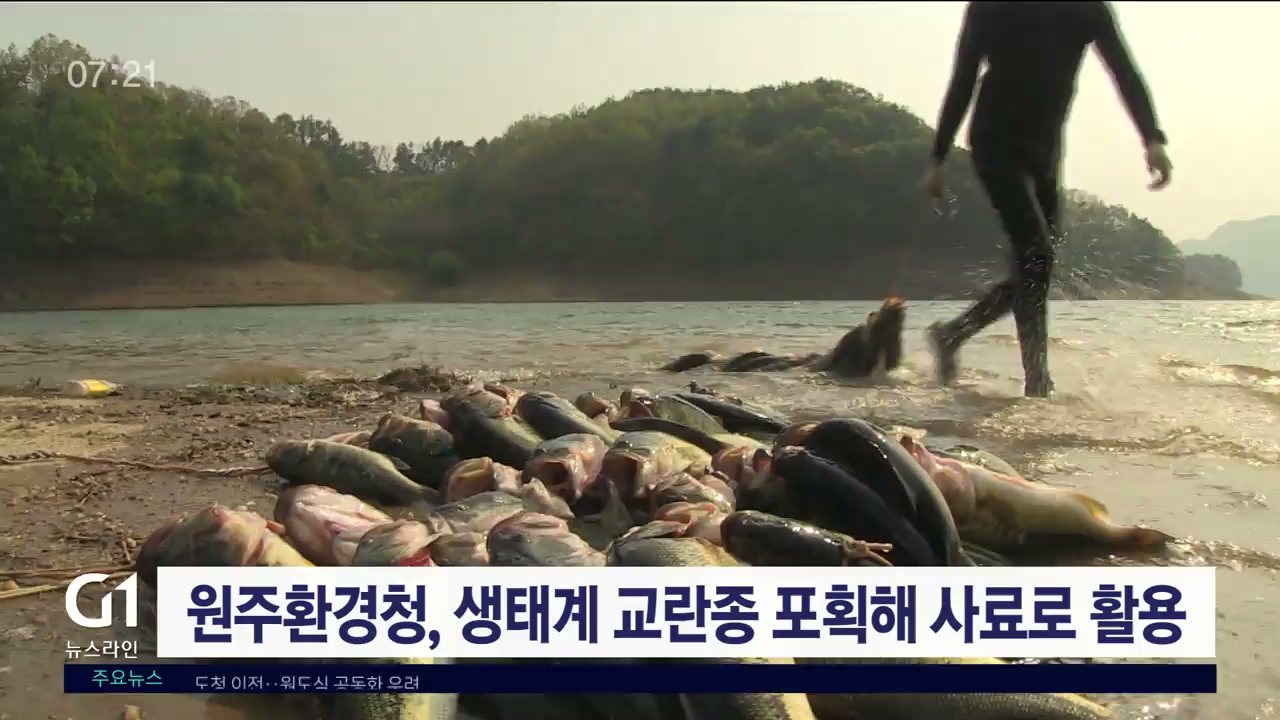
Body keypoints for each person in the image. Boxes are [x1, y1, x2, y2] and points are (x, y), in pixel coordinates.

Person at [924, 1, 1172, 398]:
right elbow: (964, 78)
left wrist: (1152, 138)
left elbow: (1124, 72)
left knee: (1036, 266)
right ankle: (1036, 381)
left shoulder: (1087, 8)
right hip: (994, 141)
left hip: (1046, 153)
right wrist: (938, 157)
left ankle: (955, 335)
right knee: (1037, 256)